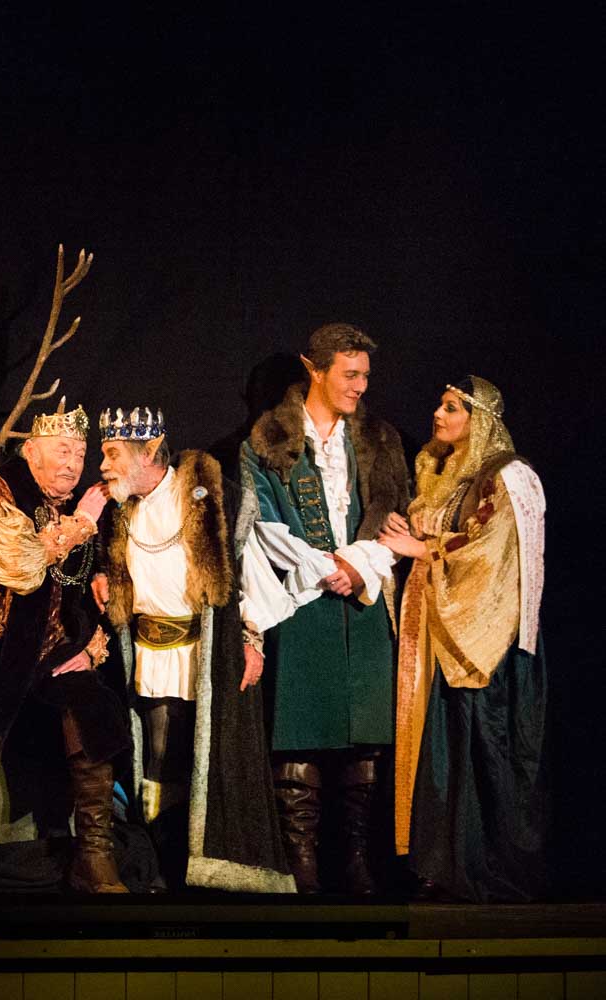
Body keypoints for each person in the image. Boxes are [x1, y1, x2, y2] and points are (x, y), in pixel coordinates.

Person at [0, 406, 131, 896]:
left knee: (94, 705)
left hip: (49, 649)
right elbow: (22, 565)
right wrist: (83, 523)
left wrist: (89, 646)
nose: (72, 464)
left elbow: (79, 592)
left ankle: (94, 854)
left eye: (80, 454)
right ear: (30, 451)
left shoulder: (69, 505)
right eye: (62, 451)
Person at [239, 323, 409, 894]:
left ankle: (355, 859)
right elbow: (263, 524)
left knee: (365, 734)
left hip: (363, 597)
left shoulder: (381, 441)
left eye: (365, 376)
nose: (360, 386)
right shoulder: (267, 440)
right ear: (314, 369)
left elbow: (398, 519)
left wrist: (361, 563)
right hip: (302, 599)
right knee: (301, 729)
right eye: (350, 374)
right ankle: (302, 862)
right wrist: (323, 566)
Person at [95, 406, 293, 892]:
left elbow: (247, 573)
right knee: (156, 761)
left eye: (113, 454)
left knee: (200, 760)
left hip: (203, 656)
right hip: (147, 657)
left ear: (148, 453)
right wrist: (101, 575)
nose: (103, 465)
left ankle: (197, 871)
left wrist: (251, 639)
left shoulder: (207, 498)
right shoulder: (117, 510)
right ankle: (160, 862)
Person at [379, 377, 548, 901]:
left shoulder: (509, 476)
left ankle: (488, 865)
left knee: (485, 747)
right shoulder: (444, 471)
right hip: (443, 630)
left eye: (452, 407)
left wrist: (423, 549)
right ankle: (444, 864)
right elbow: (443, 528)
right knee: (445, 748)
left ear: (481, 419)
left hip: (486, 639)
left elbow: (491, 550)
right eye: (440, 403)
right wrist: (411, 530)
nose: (438, 413)